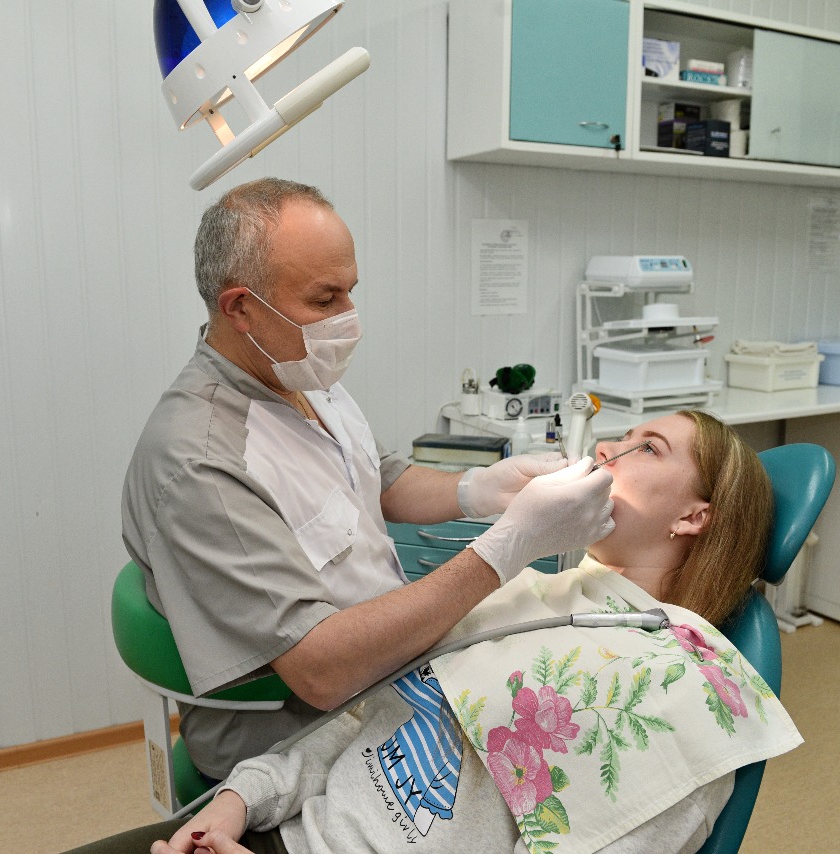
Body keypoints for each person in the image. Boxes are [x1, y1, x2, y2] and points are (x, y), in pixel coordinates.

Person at [76, 410, 788, 854]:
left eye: (648, 448)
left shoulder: (688, 700)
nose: (608, 447)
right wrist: (238, 801)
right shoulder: (531, 595)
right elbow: (360, 721)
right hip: (275, 829)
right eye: (622, 435)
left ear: (693, 517)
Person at [121, 177, 615, 785]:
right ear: (241, 308)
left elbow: (377, 478)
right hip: (297, 734)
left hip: (388, 671)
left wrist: (481, 488)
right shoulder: (201, 464)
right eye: (325, 299)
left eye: (350, 292)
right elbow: (320, 671)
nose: (348, 319)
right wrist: (507, 546)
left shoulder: (295, 370)